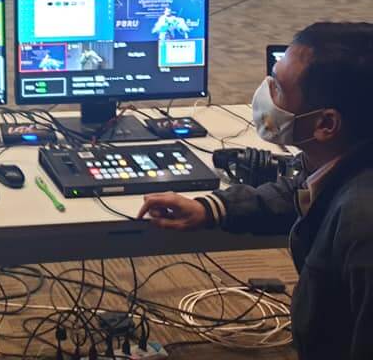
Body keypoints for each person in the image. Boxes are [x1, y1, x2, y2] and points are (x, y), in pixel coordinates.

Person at [138, 22, 373, 360]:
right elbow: (298, 192)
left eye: (277, 87)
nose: (264, 93)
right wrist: (212, 208)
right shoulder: (343, 161)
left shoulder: (363, 224)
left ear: (326, 124)